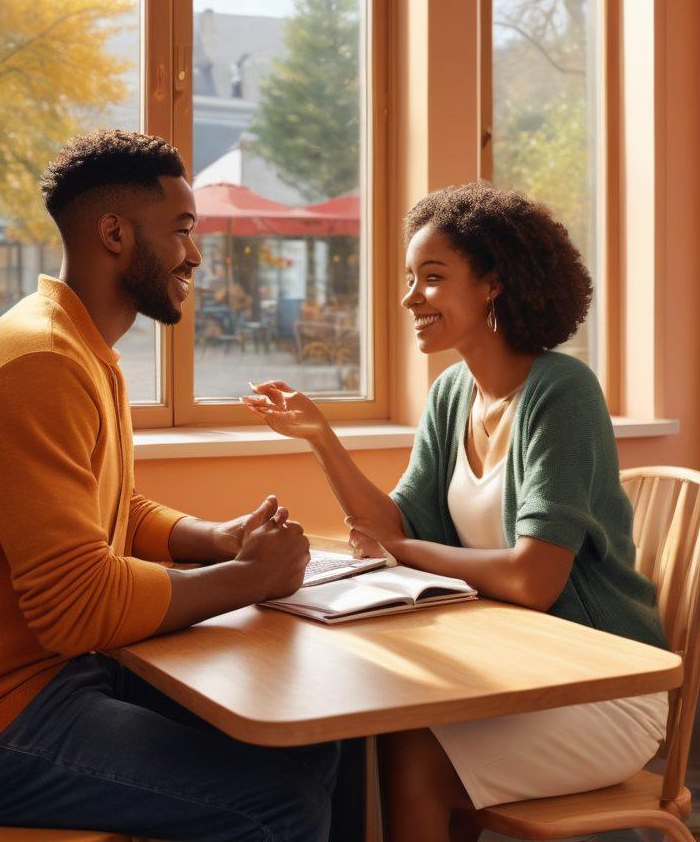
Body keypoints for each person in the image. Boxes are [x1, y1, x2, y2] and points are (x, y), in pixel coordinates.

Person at [0, 129, 341, 842]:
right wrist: (249, 579)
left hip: (58, 681)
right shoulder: (40, 361)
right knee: (277, 801)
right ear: (116, 233)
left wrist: (214, 541)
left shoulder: (78, 346)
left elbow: (111, 510)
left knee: (311, 734)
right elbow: (75, 605)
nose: (194, 253)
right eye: (183, 229)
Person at [244, 181, 668, 842]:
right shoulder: (452, 394)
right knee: (377, 732)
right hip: (515, 671)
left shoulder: (563, 391)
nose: (411, 298)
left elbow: (535, 579)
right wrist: (321, 437)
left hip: (604, 686)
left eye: (432, 278)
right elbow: (392, 527)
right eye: (411, 279)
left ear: (494, 283)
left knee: (411, 757)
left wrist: (405, 553)